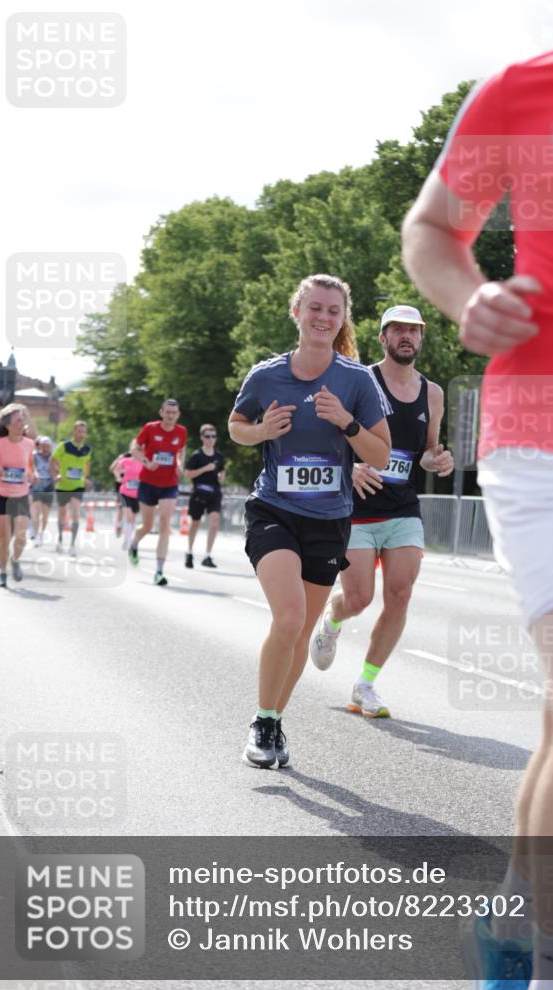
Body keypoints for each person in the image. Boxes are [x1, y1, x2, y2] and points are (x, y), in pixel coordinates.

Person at [402, 4, 553, 990]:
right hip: (550, 431)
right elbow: (434, 229)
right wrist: (466, 299)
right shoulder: (530, 90)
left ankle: (509, 913)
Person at [229, 273, 392, 769]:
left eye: (333, 311)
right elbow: (237, 427)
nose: (323, 318)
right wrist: (261, 430)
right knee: (292, 617)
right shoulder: (266, 376)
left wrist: (346, 422)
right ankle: (260, 720)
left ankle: (276, 719)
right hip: (274, 510)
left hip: (329, 519)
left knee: (299, 635)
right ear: (296, 312)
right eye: (314, 308)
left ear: (342, 319)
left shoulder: (357, 380)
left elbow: (381, 456)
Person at [310, 304, 454, 717]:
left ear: (422, 339)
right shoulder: (360, 381)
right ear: (383, 337)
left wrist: (436, 461)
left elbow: (425, 452)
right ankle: (332, 619)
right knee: (358, 597)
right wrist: (350, 468)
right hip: (355, 509)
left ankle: (365, 684)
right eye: (398, 330)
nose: (407, 337)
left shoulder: (433, 393)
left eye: (414, 331)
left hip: (403, 509)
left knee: (401, 594)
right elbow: (326, 439)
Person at [130, 399, 187, 585]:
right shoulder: (150, 428)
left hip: (169, 484)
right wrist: (146, 463)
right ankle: (134, 543)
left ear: (178, 415)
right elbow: (134, 449)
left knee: (164, 524)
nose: (170, 415)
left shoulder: (181, 431)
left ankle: (159, 571)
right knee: (147, 526)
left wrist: (180, 465)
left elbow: (181, 450)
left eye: (174, 413)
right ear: (161, 412)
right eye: (167, 412)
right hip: (148, 483)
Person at [0, 408, 37, 586]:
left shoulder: (28, 444)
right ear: (8, 426)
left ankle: (15, 559)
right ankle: (3, 572)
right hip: (3, 494)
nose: (22, 424)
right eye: (18, 421)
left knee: (21, 536)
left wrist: (33, 475)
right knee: (4, 537)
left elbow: (30, 467)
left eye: (23, 421)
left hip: (21, 495)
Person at [184, 424, 226, 568]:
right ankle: (189, 552)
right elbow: (188, 474)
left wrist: (221, 476)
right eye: (207, 436)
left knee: (214, 522)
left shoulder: (219, 456)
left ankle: (207, 555)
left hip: (214, 493)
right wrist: (205, 469)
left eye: (213, 436)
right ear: (202, 437)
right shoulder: (197, 456)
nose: (210, 439)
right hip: (199, 493)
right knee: (195, 523)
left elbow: (222, 472)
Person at [51, 421, 91, 557]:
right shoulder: (64, 446)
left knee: (75, 513)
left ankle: (72, 545)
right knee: (62, 514)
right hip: (62, 485)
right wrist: (55, 474)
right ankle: (60, 540)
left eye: (84, 432)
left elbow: (87, 464)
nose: (81, 434)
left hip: (78, 486)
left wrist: (85, 477)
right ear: (73, 432)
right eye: (79, 431)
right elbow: (52, 460)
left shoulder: (87, 449)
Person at [113, 443, 143, 551]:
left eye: (140, 449)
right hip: (125, 492)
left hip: (137, 494)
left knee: (132, 520)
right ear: (132, 449)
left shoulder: (144, 463)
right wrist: (119, 477)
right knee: (129, 516)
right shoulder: (125, 461)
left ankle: (127, 540)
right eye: (137, 448)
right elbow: (115, 469)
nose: (139, 451)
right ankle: (128, 541)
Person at [30, 436, 54, 546]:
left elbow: (57, 470)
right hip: (37, 486)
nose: (45, 448)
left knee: (45, 515)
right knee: (36, 512)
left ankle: (42, 532)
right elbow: (31, 468)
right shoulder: (35, 456)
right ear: (40, 446)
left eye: (47, 446)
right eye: (43, 446)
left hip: (49, 486)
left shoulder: (53, 458)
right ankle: (36, 534)